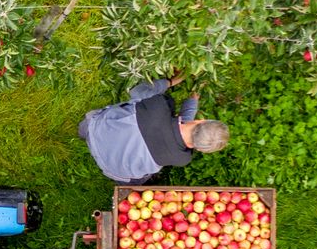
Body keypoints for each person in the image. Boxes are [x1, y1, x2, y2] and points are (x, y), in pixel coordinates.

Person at [77, 74, 229, 184]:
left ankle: (82, 132)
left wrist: (170, 81)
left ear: (202, 121)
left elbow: (138, 91)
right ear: (200, 148)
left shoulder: (158, 107)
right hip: (113, 169)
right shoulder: (182, 158)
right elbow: (183, 134)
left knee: (123, 113)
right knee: (142, 176)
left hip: (95, 133)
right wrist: (192, 100)